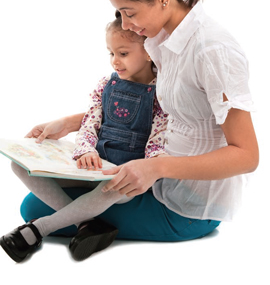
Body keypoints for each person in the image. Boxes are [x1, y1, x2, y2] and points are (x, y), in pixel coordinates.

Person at [2, 0, 259, 261]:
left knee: (37, 210)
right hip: (154, 177)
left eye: (130, 12)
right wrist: (71, 123)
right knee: (32, 200)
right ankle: (88, 225)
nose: (125, 25)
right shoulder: (162, 40)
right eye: (120, 14)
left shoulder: (212, 50)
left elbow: (247, 156)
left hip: (186, 205)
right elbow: (156, 109)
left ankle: (75, 226)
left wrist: (156, 166)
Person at [0, 14, 168, 262]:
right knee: (20, 166)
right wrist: (85, 150)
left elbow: (158, 140)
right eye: (110, 53)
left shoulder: (161, 93)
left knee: (109, 190)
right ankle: (89, 224)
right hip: (91, 166)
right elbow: (90, 122)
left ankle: (39, 229)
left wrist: (148, 168)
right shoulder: (106, 85)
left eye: (122, 53)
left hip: (124, 177)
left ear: (148, 52)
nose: (115, 61)